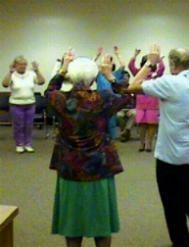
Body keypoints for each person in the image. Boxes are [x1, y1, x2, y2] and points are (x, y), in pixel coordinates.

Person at [127, 45, 189, 247]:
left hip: (169, 158)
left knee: (173, 205)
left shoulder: (169, 83)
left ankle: (181, 243)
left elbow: (133, 86)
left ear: (173, 64)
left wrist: (150, 63)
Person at [46, 50, 129, 247]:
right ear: (94, 78)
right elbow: (128, 96)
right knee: (102, 223)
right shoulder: (103, 98)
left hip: (70, 166)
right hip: (99, 164)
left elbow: (49, 90)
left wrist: (62, 69)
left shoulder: (59, 99)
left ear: (71, 77)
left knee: (72, 223)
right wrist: (110, 76)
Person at [2, 56, 45, 153]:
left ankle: (28, 144)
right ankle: (19, 144)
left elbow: (41, 82)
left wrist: (37, 71)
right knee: (19, 125)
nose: (22, 66)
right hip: (16, 104)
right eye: (20, 64)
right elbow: (4, 84)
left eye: (24, 64)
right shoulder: (12, 75)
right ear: (15, 65)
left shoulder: (31, 74)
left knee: (29, 125)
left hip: (30, 104)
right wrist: (10, 72)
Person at [128, 48, 165, 152]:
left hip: (153, 104)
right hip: (141, 104)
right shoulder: (139, 73)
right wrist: (134, 55)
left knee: (152, 124)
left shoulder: (156, 75)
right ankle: (141, 143)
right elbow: (130, 66)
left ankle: (149, 143)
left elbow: (162, 68)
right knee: (142, 124)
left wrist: (159, 58)